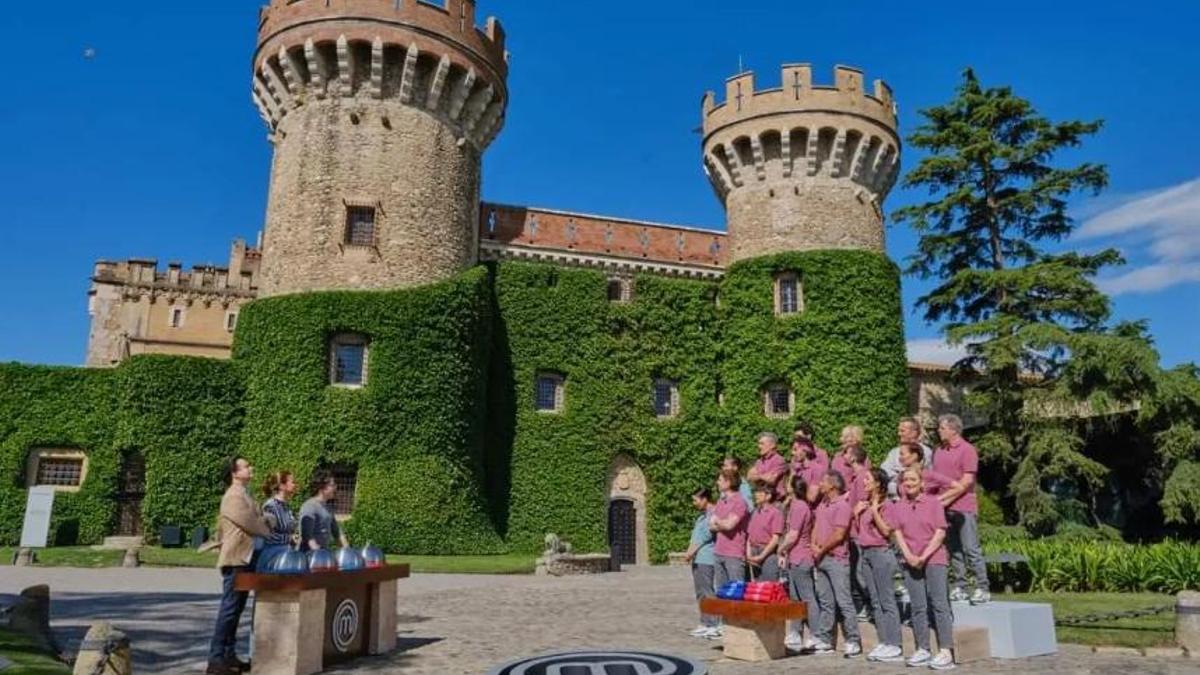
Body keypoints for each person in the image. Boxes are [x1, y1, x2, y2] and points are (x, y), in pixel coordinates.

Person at [208, 457, 271, 675]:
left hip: (246, 558)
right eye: (245, 466)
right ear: (234, 473)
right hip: (236, 560)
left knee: (236, 610)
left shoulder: (245, 493)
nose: (250, 468)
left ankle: (228, 656)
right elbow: (251, 523)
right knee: (228, 610)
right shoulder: (233, 496)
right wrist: (268, 526)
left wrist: (265, 519)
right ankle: (215, 660)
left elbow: (258, 518)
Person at [892, 467, 956, 670]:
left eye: (912, 479)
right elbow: (897, 533)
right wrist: (909, 556)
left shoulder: (933, 503)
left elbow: (940, 532)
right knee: (917, 606)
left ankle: (946, 650)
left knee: (939, 604)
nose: (908, 483)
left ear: (921, 482)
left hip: (933, 558)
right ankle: (923, 648)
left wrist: (923, 556)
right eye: (905, 480)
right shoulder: (898, 506)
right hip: (910, 561)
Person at [933, 414, 990, 604]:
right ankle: (960, 586)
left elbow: (966, 482)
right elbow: (936, 479)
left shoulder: (967, 450)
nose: (939, 431)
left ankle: (982, 587)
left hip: (963, 507)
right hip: (944, 508)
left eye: (942, 427)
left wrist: (943, 499)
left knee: (970, 548)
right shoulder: (939, 451)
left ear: (953, 429)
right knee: (953, 549)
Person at [852, 468, 904, 663]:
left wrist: (874, 511)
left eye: (867, 479)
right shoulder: (863, 504)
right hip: (866, 553)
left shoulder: (887, 505)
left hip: (881, 553)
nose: (864, 482)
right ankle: (884, 641)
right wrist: (856, 515)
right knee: (875, 600)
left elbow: (886, 532)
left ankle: (895, 644)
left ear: (877, 483)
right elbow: (859, 532)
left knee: (886, 599)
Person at [810, 471, 861, 657]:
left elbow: (839, 535)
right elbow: (816, 527)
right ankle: (825, 639)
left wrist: (821, 549)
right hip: (821, 559)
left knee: (844, 601)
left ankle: (853, 640)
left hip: (836, 559)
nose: (819, 484)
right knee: (826, 601)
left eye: (823, 481)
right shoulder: (822, 505)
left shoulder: (843, 507)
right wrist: (814, 546)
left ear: (833, 485)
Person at [779, 473, 818, 652]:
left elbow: (793, 534)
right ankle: (795, 631)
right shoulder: (793, 505)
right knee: (795, 598)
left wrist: (781, 549)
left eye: (788, 483)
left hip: (801, 557)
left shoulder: (800, 506)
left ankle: (816, 634)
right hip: (794, 558)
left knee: (807, 597)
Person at [709, 468, 749, 606]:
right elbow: (711, 525)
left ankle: (737, 625)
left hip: (734, 554)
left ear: (728, 482)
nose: (717, 483)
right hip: (719, 551)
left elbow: (730, 525)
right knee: (721, 592)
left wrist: (719, 522)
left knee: (736, 593)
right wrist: (722, 523)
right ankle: (723, 625)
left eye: (720, 480)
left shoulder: (739, 502)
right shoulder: (721, 502)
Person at [684, 487, 719, 639]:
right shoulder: (702, 516)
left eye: (696, 500)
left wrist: (690, 552)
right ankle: (705, 622)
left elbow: (704, 536)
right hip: (699, 559)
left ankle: (714, 623)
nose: (694, 503)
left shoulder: (712, 515)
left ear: (705, 499)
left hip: (706, 558)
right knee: (700, 592)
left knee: (707, 591)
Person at [256, 471, 298, 573]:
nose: (295, 484)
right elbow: (268, 534)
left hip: (286, 553)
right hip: (273, 555)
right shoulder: (270, 506)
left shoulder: (286, 506)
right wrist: (289, 538)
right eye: (292, 482)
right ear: (282, 486)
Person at [881, 417, 934, 497]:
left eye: (902, 431)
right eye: (899, 430)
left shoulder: (925, 452)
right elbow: (884, 472)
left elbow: (923, 475)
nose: (899, 434)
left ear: (914, 433)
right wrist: (899, 476)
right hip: (894, 499)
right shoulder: (894, 452)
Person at [300, 470, 351, 551]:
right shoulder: (310, 506)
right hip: (310, 556)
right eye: (332, 485)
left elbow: (337, 533)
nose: (335, 487)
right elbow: (307, 535)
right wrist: (317, 552)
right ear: (322, 487)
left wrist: (349, 551)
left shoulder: (328, 508)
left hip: (323, 554)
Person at [746, 482, 783, 581]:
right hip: (753, 552)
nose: (756, 495)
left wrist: (762, 556)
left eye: (759, 492)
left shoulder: (775, 513)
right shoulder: (755, 512)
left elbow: (775, 539)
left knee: (768, 587)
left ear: (768, 496)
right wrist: (749, 554)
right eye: (756, 492)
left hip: (767, 553)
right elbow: (749, 536)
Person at [889, 442, 954, 499]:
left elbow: (957, 487)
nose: (899, 457)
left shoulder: (927, 474)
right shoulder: (902, 475)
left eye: (902, 454)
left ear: (914, 456)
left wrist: (937, 501)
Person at [790, 428, 828, 506]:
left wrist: (796, 491)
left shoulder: (817, 469)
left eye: (795, 449)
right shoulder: (797, 468)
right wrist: (793, 472)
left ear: (805, 450)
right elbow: (789, 490)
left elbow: (812, 497)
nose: (792, 453)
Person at [747, 432, 789, 501]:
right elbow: (749, 476)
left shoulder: (779, 460)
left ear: (772, 445)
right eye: (759, 443)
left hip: (776, 501)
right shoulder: (759, 461)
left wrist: (758, 476)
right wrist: (763, 476)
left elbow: (771, 479)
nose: (759, 446)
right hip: (762, 501)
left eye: (762, 443)